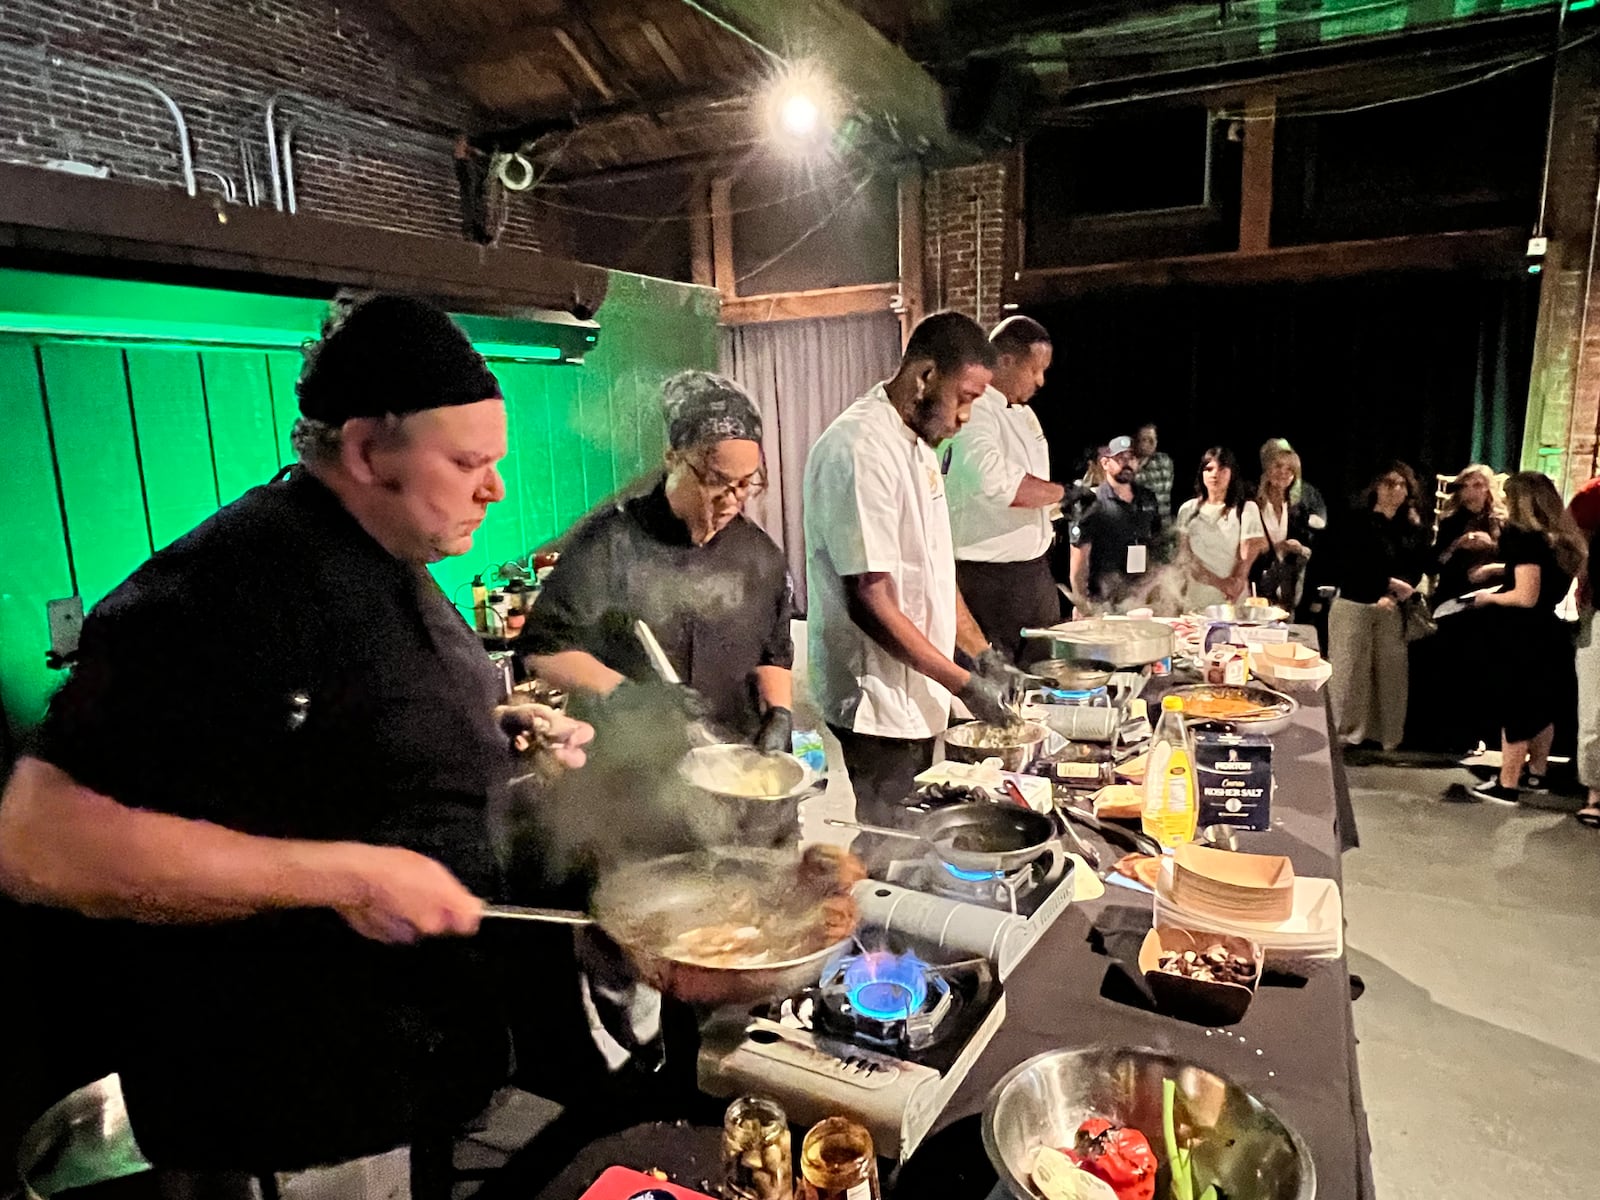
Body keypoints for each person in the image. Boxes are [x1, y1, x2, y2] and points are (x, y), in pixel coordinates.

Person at [0, 295, 594, 1188]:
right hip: (295, 1117)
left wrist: (490, 732)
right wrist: (345, 878)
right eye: (469, 462)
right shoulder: (223, 587)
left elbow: (323, 748)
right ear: (364, 451)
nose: (495, 487)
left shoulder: (391, 554)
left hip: (418, 1083)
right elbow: (37, 840)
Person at [804, 311, 1017, 829]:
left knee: (918, 832)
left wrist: (983, 653)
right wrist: (964, 683)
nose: (966, 416)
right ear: (924, 377)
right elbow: (870, 602)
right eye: (965, 397)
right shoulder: (861, 448)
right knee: (889, 840)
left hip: (917, 689)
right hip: (875, 698)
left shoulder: (918, 445)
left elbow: (935, 571)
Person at [518, 370, 794, 750]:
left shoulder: (760, 555)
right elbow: (543, 652)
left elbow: (774, 654)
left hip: (735, 761)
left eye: (747, 483)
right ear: (673, 458)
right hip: (632, 770)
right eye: (717, 480)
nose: (732, 498)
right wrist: (627, 695)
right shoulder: (612, 544)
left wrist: (780, 712)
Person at [945, 316, 1063, 664]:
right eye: (1034, 370)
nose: (1041, 381)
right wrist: (1062, 493)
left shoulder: (1024, 415)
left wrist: (1058, 508)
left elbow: (1033, 484)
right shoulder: (975, 411)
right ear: (1006, 360)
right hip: (990, 579)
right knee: (999, 685)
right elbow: (992, 482)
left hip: (1032, 574)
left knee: (1043, 681)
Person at [1468, 472, 1586, 804]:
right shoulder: (1562, 540)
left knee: (1516, 707)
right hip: (1550, 633)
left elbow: (1525, 595)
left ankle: (1506, 784)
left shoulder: (1522, 537)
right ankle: (1537, 773)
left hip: (1521, 636)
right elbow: (1543, 582)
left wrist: (1487, 598)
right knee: (1542, 708)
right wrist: (1499, 571)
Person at [1327, 461, 1430, 750]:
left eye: (1401, 484)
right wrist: (1384, 585)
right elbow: (1347, 563)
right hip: (1355, 601)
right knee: (1350, 673)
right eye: (1388, 483)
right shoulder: (1355, 520)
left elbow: (1417, 565)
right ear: (1375, 486)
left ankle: (1384, 736)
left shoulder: (1410, 525)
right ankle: (1345, 734)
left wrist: (1395, 594)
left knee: (1390, 674)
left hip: (1392, 607)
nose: (1395, 489)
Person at [1069, 435, 1167, 611]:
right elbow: (1079, 562)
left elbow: (1156, 546)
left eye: (1132, 457)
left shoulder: (1147, 498)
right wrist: (1082, 604)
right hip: (1104, 600)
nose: (1127, 463)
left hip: (1141, 598)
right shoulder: (1091, 502)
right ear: (1105, 463)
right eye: (1120, 458)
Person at [1174, 447, 1267, 610]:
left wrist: (1236, 581)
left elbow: (1248, 551)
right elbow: (1185, 557)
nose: (1215, 474)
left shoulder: (1246, 508)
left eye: (1222, 469)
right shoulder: (1187, 510)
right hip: (1198, 598)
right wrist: (1219, 583)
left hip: (1233, 598)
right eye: (1208, 469)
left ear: (1232, 473)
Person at [1251, 444, 1320, 610]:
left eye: (1290, 469)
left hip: (1289, 594)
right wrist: (1274, 547)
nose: (1284, 472)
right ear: (1267, 468)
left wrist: (1300, 548)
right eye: (1278, 466)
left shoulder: (1299, 509)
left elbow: (1312, 550)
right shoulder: (1252, 503)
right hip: (1256, 589)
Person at [1569, 476, 1600, 826]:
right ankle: (1595, 792)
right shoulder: (1595, 495)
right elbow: (1577, 545)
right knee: (1595, 707)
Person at [1431, 464, 1505, 605]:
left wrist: (1491, 550)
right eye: (1465, 485)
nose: (1470, 490)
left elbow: (1517, 565)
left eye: (1477, 485)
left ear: (1488, 489)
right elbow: (1433, 566)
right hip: (1457, 592)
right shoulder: (1450, 523)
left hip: (1494, 592)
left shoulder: (1502, 522)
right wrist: (1456, 545)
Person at [1133, 423, 1175, 514]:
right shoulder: (1127, 466)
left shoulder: (1163, 461)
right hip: (1140, 522)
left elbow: (1156, 488)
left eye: (1153, 439)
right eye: (1145, 439)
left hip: (1164, 522)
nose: (1150, 443)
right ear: (1136, 441)